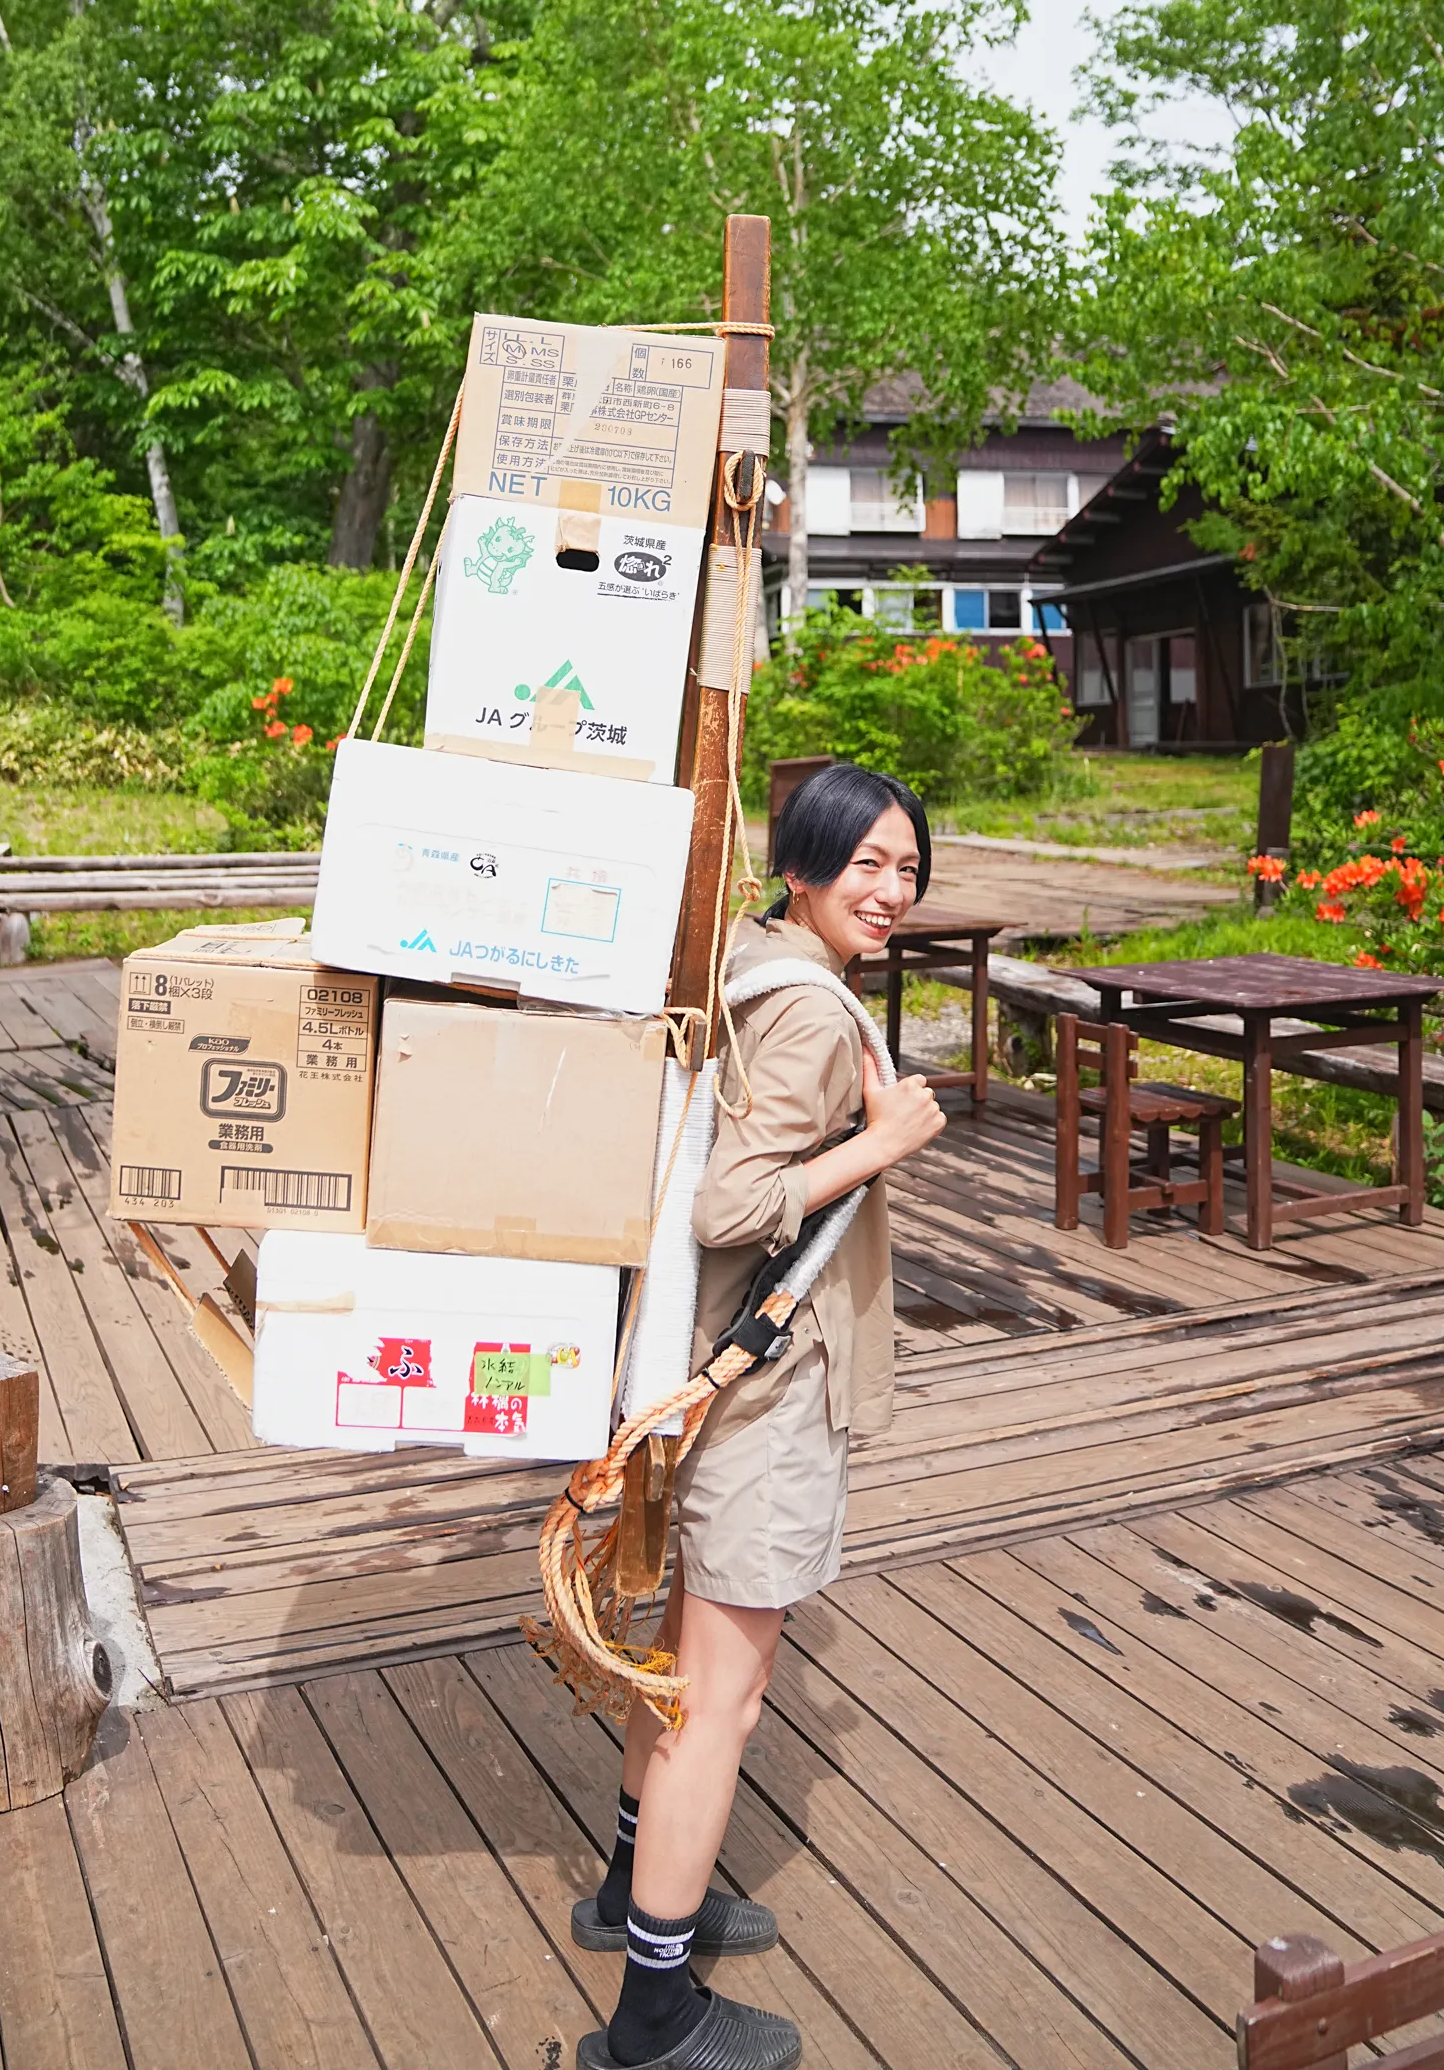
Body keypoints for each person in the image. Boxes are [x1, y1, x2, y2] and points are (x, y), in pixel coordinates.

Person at [574, 763, 947, 2070]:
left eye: (908, 869)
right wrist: (883, 1139)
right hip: (765, 1398)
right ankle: (654, 2013)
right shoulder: (806, 1013)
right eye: (868, 867)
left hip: (708, 1386)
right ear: (802, 866)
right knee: (722, 1702)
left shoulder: (750, 960)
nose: (892, 891)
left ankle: (633, 1897)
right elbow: (730, 1205)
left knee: (684, 1664)